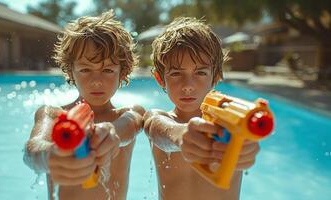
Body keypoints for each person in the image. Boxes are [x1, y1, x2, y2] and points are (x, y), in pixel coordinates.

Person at [23, 10, 145, 200]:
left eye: (107, 70)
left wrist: (110, 133)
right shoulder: (52, 115)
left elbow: (128, 126)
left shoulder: (129, 114)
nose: (96, 81)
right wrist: (50, 156)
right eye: (85, 69)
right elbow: (32, 150)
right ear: (71, 71)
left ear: (123, 72)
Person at [143, 17, 260, 200]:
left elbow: (247, 143)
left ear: (216, 76)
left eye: (200, 73)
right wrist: (180, 135)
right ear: (160, 79)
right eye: (176, 73)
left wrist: (245, 150)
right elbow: (155, 128)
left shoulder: (229, 126)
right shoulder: (160, 118)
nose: (188, 85)